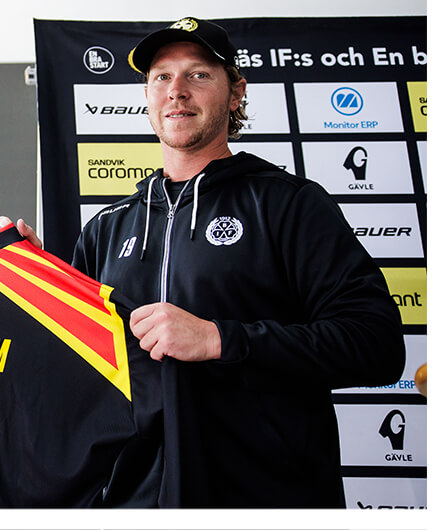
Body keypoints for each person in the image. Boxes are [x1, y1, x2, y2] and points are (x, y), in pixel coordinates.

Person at [67, 17, 405, 507]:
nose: (177, 91)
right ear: (147, 96)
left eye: (198, 74)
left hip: (265, 499)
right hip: (134, 503)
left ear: (235, 93)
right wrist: (32, 275)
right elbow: (76, 377)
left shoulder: (290, 204)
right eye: (162, 77)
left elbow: (376, 346)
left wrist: (218, 340)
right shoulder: (106, 228)